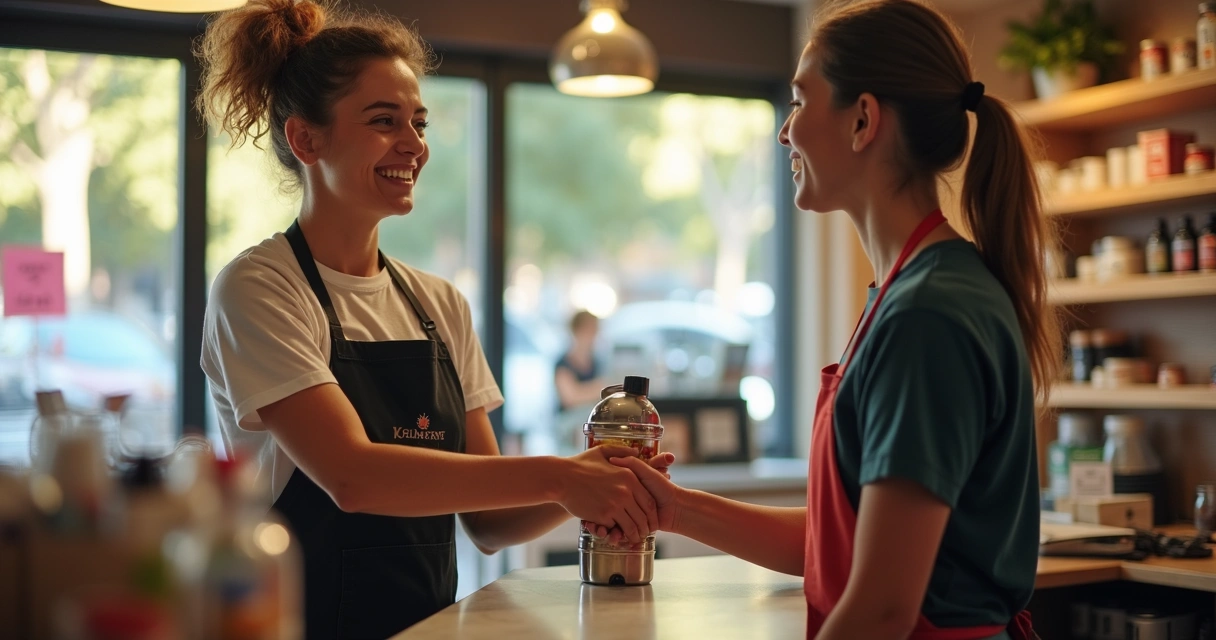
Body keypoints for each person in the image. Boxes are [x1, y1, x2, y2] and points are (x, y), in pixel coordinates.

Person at [196, 1, 663, 637]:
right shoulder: (260, 288)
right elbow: (353, 477)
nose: (414, 145)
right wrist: (561, 476)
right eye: (384, 121)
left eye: (419, 122)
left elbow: (491, 524)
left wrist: (598, 477)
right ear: (305, 139)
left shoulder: (438, 305)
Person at [608, 1, 1056, 638]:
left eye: (798, 100)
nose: (784, 131)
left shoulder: (929, 315)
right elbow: (838, 541)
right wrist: (671, 508)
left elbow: (880, 608)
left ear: (863, 120)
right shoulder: (902, 294)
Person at [554, 310, 609, 413]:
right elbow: (570, 398)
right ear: (577, 331)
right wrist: (598, 389)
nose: (592, 336)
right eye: (588, 330)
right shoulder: (563, 364)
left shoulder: (597, 362)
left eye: (594, 331)